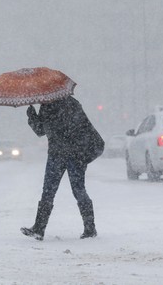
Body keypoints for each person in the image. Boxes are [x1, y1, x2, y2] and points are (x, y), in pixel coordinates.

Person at [21, 95, 105, 241]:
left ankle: (41, 228)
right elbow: (43, 130)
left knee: (52, 191)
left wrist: (35, 118)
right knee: (72, 190)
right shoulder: (64, 104)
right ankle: (88, 228)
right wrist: (33, 116)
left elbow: (42, 130)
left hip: (64, 154)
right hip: (68, 154)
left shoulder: (56, 105)